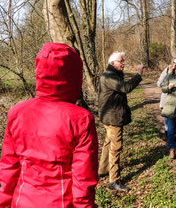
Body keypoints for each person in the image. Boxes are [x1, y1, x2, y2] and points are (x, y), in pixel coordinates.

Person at [0, 43, 99, 207]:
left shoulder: (17, 112)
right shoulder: (81, 119)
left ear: (39, 71)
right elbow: (83, 178)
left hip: (21, 202)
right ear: (74, 76)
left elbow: (8, 169)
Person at [98, 51, 144, 191]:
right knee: (115, 148)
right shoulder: (109, 76)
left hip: (110, 117)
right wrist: (139, 74)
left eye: (123, 61)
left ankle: (102, 170)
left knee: (108, 144)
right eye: (121, 61)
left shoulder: (113, 74)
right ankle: (114, 182)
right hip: (113, 118)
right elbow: (125, 88)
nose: (123, 63)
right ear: (113, 63)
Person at [157, 57, 176, 137]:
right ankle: (168, 135)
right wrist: (167, 85)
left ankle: (174, 135)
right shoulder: (166, 70)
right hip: (166, 99)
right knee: (167, 119)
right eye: (175, 63)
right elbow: (159, 83)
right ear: (172, 63)